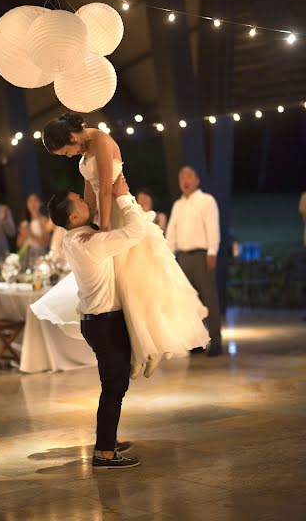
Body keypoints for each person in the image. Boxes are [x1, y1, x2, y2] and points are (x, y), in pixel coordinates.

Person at [37, 113, 209, 378]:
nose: (69, 156)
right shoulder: (84, 151)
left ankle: (154, 346)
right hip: (104, 215)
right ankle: (141, 348)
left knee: (139, 283)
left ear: (72, 137)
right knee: (122, 288)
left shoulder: (102, 142)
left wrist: (103, 229)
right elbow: (90, 194)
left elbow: (106, 189)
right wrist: (88, 225)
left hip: (120, 211)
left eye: (66, 151)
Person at [48, 174, 144, 468]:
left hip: (94, 321)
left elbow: (91, 203)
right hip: (105, 323)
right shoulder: (93, 243)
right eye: (79, 200)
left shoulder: (71, 237)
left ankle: (108, 438)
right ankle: (104, 452)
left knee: (113, 383)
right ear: (74, 215)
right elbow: (137, 230)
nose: (84, 199)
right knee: (114, 386)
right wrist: (125, 196)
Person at [165, 166, 222, 357]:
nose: (185, 180)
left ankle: (216, 341)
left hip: (201, 256)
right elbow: (171, 233)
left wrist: (212, 252)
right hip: (182, 258)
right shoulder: (178, 205)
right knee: (187, 303)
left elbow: (212, 227)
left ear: (197, 180)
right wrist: (170, 257)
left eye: (189, 176)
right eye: (182, 177)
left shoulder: (206, 201)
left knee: (208, 299)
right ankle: (195, 342)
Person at [17, 193, 52, 263]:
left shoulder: (44, 220)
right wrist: (23, 235)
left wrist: (30, 234)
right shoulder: (24, 223)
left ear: (40, 203)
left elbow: (47, 242)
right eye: (30, 201)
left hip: (40, 255)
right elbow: (19, 244)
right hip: (26, 255)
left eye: (35, 201)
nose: (33, 204)